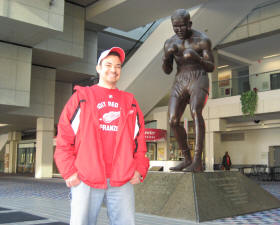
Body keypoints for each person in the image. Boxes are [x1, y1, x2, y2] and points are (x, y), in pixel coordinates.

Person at [54, 47, 149, 225]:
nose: (113, 69)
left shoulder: (130, 102)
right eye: (108, 64)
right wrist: (68, 171)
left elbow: (139, 140)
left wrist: (140, 168)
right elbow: (64, 138)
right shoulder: (81, 97)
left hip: (122, 177)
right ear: (98, 68)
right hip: (85, 177)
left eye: (118, 66)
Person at [162, 9, 214, 172]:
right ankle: (187, 159)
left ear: (189, 24)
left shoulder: (202, 40)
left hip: (198, 76)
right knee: (173, 120)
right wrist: (166, 58)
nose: (178, 30)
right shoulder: (170, 43)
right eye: (175, 27)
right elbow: (167, 70)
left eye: (182, 26)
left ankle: (198, 161)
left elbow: (211, 66)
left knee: (195, 112)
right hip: (180, 79)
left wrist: (197, 58)